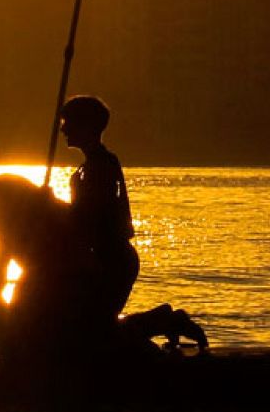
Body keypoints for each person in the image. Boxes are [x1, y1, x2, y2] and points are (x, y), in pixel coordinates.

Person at [60, 95, 206, 348]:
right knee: (94, 328)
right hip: (105, 257)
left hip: (112, 260)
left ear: (87, 126)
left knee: (97, 333)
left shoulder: (101, 167)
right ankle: (162, 320)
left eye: (68, 122)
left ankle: (161, 325)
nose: (62, 128)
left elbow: (93, 214)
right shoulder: (88, 168)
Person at [0, 134, 101, 363]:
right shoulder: (3, 193)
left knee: (15, 325)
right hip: (49, 276)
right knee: (7, 315)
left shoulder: (4, 198)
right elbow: (1, 265)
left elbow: (5, 265)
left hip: (64, 277)